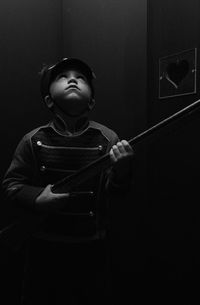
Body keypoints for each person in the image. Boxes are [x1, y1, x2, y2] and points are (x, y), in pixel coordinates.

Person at [1, 57, 134, 305]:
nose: (73, 79)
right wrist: (37, 198)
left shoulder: (108, 138)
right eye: (63, 77)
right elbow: (11, 185)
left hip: (91, 247)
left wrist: (123, 171)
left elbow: (115, 193)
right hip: (44, 246)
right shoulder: (32, 139)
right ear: (49, 100)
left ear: (92, 101)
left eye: (81, 78)